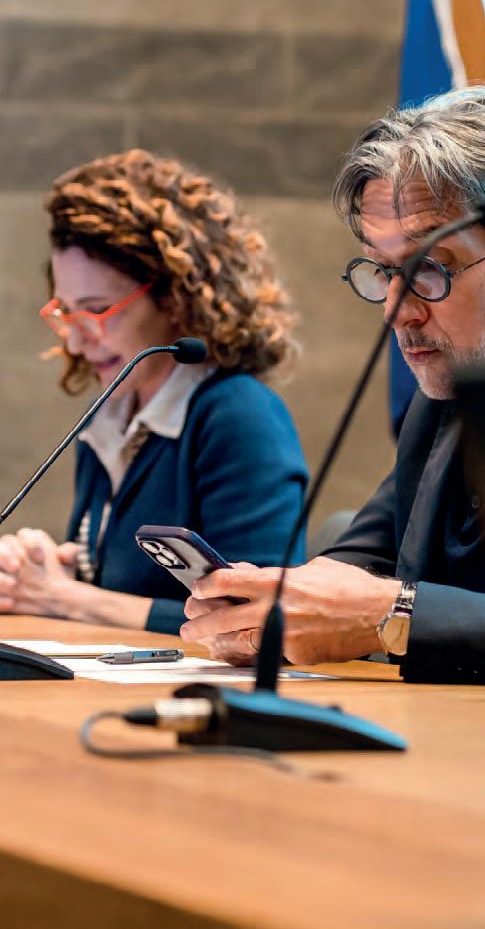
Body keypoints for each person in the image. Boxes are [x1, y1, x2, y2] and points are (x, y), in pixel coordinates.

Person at [180, 87, 485, 680]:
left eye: (431, 268)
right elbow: (360, 564)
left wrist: (394, 616)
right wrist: (268, 607)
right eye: (383, 270)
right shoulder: (456, 387)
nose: (398, 311)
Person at [0, 149, 308, 634]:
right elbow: (120, 586)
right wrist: (47, 573)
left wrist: (65, 598)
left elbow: (263, 619)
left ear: (175, 298)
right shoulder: (111, 413)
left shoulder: (239, 414)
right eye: (66, 313)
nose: (76, 341)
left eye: (96, 311)